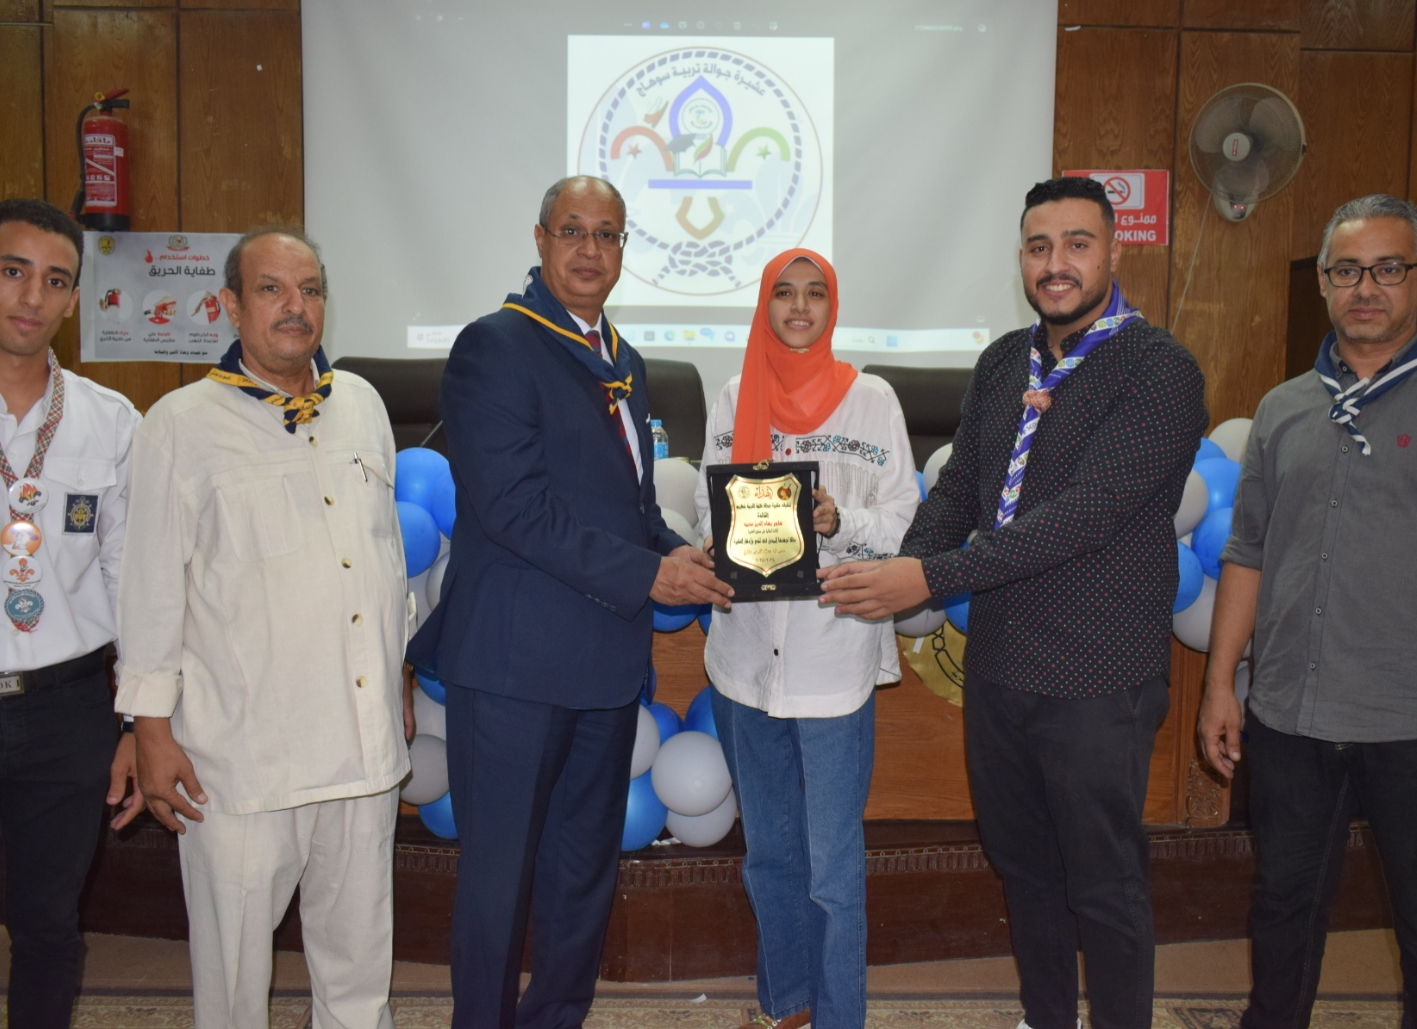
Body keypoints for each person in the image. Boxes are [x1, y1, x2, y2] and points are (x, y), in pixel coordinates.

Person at [820, 177, 1207, 1029]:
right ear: (1022, 259)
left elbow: (1087, 515)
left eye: (1077, 244)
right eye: (1039, 246)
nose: (1056, 263)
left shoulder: (1160, 369)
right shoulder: (1003, 362)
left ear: (1114, 252)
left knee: (1103, 882)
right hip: (1000, 668)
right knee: (1024, 869)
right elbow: (961, 488)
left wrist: (931, 579)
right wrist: (908, 564)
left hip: (1099, 675)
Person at [1198, 194, 1417, 1029]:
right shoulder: (1285, 408)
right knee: (1282, 915)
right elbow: (1248, 554)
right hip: (1292, 719)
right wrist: (1221, 685)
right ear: (1322, 281)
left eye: (1389, 268)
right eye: (1347, 271)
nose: (1367, 288)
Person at [405, 175, 733, 1029]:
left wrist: (675, 549)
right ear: (542, 238)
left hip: (603, 666)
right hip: (513, 669)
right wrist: (648, 575)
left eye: (608, 234)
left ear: (624, 249)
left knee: (582, 876)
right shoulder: (495, 347)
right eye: (573, 231)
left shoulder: (623, 359)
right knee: (498, 882)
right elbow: (514, 509)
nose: (590, 250)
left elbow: (629, 508)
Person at [115, 227, 414, 1029]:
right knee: (234, 981)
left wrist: (399, 671)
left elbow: (384, 557)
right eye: (273, 289)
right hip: (240, 759)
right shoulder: (179, 425)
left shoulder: (362, 404)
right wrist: (149, 730)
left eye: (310, 290)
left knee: (359, 972)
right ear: (231, 305)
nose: (295, 307)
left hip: (361, 750)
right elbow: (149, 587)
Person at [0, 199, 143, 1029]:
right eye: (13, 271)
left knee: (50, 930)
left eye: (55, 281)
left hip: (67, 710)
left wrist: (135, 720)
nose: (32, 296)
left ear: (73, 300)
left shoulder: (109, 420)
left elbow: (130, 579)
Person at [693, 249, 918, 1029]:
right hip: (745, 661)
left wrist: (837, 520)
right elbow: (709, 509)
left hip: (833, 660)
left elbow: (903, 520)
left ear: (833, 305)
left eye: (814, 293)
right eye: (783, 293)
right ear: (764, 305)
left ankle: (839, 1016)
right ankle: (788, 1004)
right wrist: (716, 539)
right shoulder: (733, 397)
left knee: (832, 870)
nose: (798, 307)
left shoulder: (872, 400)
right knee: (769, 856)